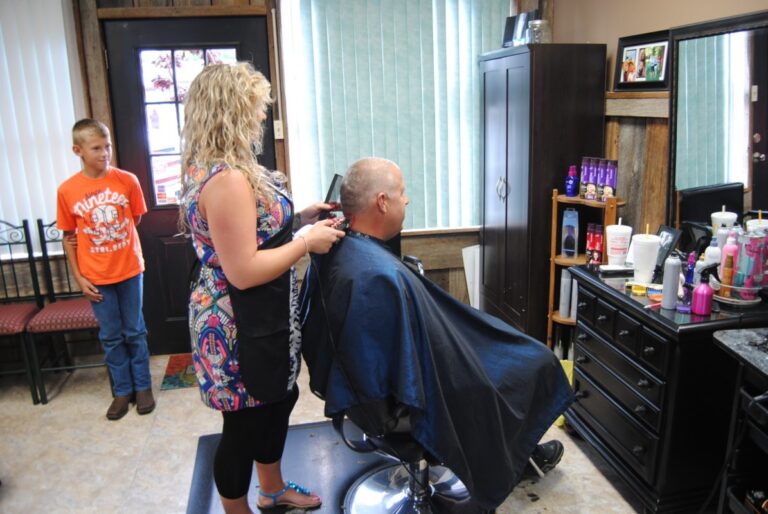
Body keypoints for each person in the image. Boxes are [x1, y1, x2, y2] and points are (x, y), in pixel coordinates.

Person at [300, 157, 572, 510]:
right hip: (401, 398)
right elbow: (411, 368)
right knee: (535, 361)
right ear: (382, 202)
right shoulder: (377, 277)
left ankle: (520, 453)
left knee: (504, 348)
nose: (407, 199)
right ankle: (512, 459)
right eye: (402, 192)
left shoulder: (338, 250)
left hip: (365, 390)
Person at [179, 62, 345, 513]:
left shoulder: (220, 168)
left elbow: (248, 232)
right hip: (237, 320)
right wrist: (306, 243)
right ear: (231, 110)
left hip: (259, 311)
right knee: (244, 424)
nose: (260, 117)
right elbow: (245, 269)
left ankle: (271, 491)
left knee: (277, 400)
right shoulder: (227, 179)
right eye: (254, 108)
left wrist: (300, 218)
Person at [57, 118, 154, 421]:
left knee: (135, 331)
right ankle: (122, 392)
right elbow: (69, 238)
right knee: (111, 337)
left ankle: (143, 388)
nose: (104, 153)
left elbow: (134, 220)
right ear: (78, 150)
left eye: (107, 146)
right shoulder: (67, 191)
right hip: (96, 278)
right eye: (96, 148)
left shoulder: (127, 181)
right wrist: (79, 276)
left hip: (129, 271)